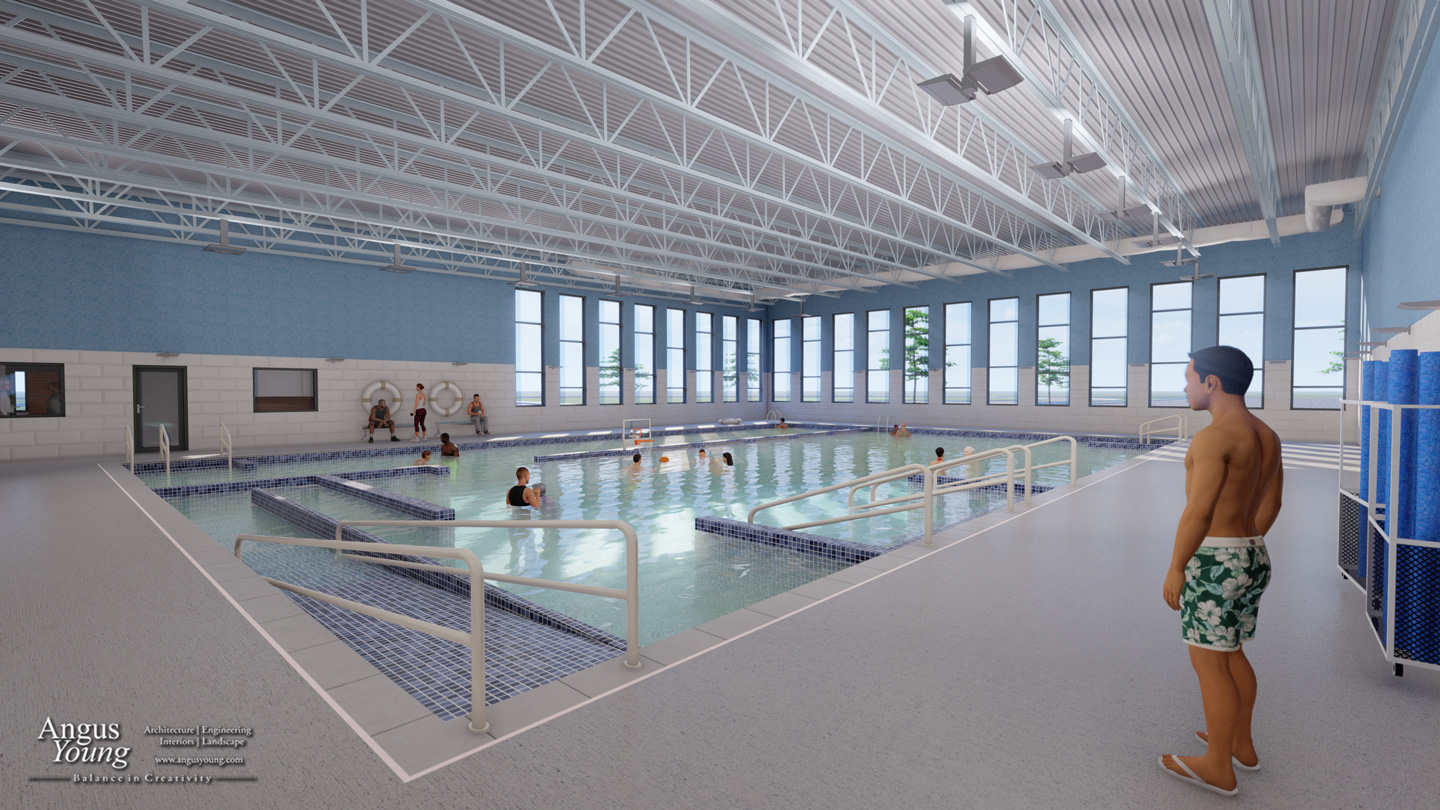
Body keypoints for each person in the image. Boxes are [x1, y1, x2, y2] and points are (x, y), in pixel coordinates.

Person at [1158, 346, 1282, 798]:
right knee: (1233, 654)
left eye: (1189, 378)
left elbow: (1198, 512)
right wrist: (1245, 544)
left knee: (1210, 664)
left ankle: (1217, 768)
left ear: (1212, 383)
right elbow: (1272, 502)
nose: (1185, 386)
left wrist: (1177, 566)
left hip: (1215, 561)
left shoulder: (1213, 438)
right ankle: (1240, 746)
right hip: (1253, 554)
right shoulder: (1267, 435)